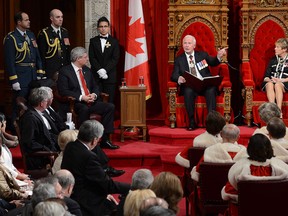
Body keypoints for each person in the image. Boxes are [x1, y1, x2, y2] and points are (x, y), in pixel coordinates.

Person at [61, 120, 130, 216]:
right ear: (94, 140)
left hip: (74, 193)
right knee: (118, 207)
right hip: (86, 202)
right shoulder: (88, 156)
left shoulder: (70, 146)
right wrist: (131, 187)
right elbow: (107, 184)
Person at [57, 46, 119, 149]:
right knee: (84, 109)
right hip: (76, 103)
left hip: (90, 101)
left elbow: (95, 86)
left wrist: (94, 94)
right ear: (78, 58)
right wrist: (82, 97)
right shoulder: (65, 71)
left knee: (110, 107)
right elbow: (63, 91)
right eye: (85, 57)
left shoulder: (86, 70)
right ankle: (84, 141)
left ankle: (105, 139)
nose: (87, 59)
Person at [221, 134, 288, 216]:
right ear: (269, 148)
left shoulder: (238, 169)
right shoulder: (283, 167)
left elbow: (227, 193)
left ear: (249, 149)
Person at [171, 35, 227, 130]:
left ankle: (211, 122)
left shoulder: (202, 55)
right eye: (185, 43)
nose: (187, 45)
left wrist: (218, 56)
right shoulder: (179, 59)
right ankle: (192, 121)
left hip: (204, 84)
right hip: (190, 86)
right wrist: (179, 78)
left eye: (189, 43)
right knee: (188, 91)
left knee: (211, 89)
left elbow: (213, 62)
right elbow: (173, 75)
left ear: (194, 45)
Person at [3, 11, 44, 124]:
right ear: (19, 22)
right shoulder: (11, 38)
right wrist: (14, 80)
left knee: (32, 103)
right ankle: (16, 126)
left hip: (32, 75)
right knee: (20, 103)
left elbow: (37, 55)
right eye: (26, 20)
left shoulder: (31, 35)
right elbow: (9, 61)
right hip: (21, 76)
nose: (29, 21)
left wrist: (40, 72)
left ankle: (31, 125)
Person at [19, 87, 59, 170]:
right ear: (41, 103)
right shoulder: (30, 118)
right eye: (46, 101)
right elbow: (29, 143)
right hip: (39, 158)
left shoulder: (36, 113)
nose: (48, 102)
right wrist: (48, 151)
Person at [89, 16, 120, 104]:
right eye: (101, 26)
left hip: (110, 76)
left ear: (108, 27)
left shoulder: (114, 42)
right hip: (96, 76)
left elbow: (115, 59)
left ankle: (109, 118)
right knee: (96, 100)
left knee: (110, 101)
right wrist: (99, 70)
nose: (103, 28)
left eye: (105, 26)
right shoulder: (93, 41)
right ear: (98, 28)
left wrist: (105, 70)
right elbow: (92, 58)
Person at [37, 9, 70, 79]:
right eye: (58, 17)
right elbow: (41, 54)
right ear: (51, 18)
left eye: (62, 17)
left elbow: (67, 52)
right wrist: (42, 71)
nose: (60, 19)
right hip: (50, 70)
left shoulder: (65, 32)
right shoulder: (44, 33)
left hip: (64, 69)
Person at [261, 38, 288, 116]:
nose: (275, 49)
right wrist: (270, 80)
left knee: (277, 85)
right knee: (269, 84)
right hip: (272, 81)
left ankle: (278, 111)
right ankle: (272, 110)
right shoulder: (273, 60)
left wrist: (281, 80)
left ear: (284, 49)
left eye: (277, 47)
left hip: (284, 82)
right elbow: (266, 76)